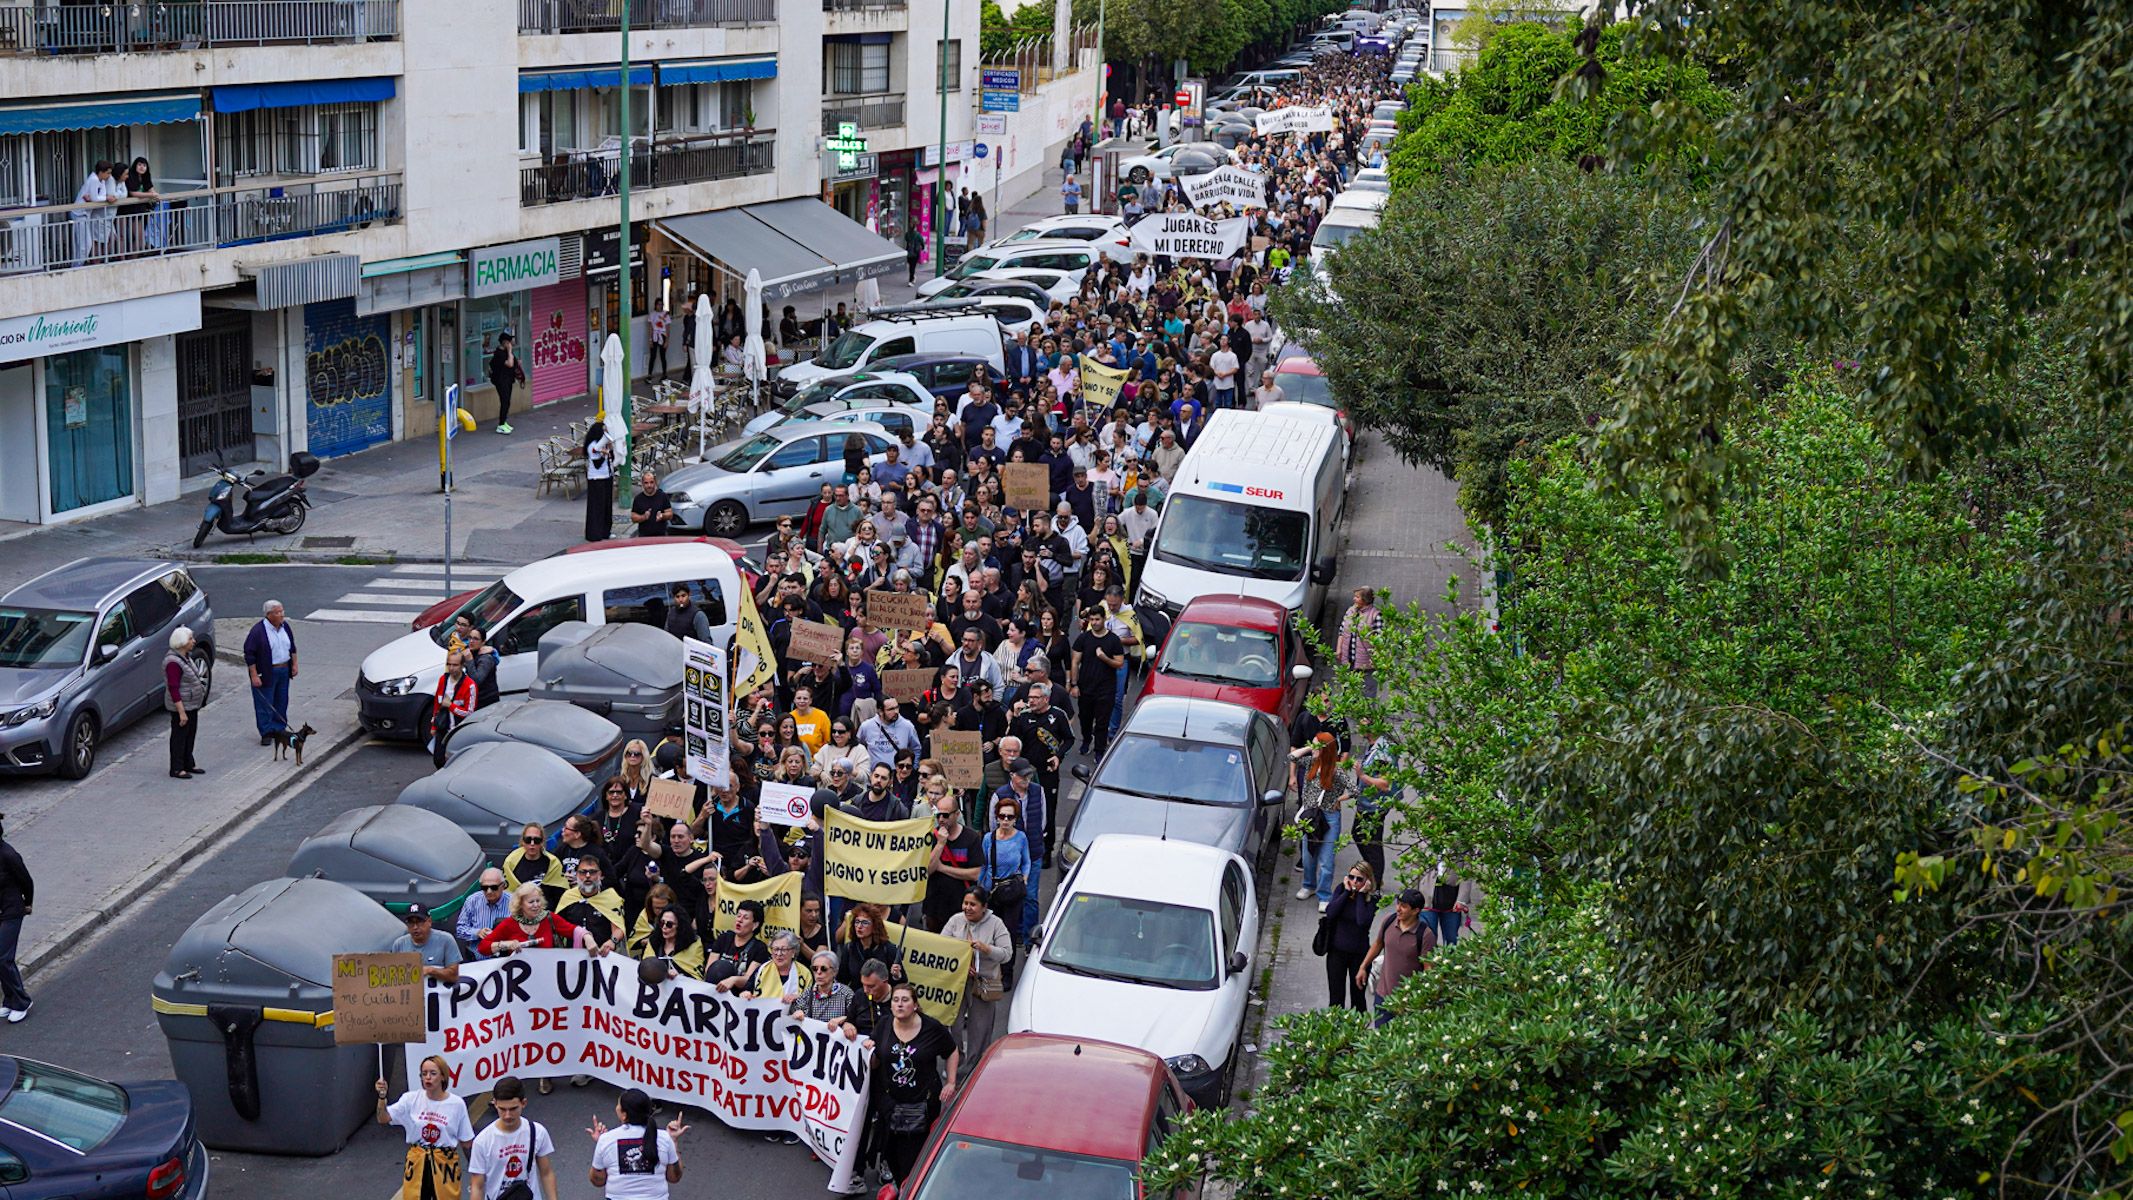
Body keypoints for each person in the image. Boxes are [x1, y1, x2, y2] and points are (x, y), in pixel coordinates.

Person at [866, 981, 960, 1186]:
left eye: (905, 1000)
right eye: (896, 1000)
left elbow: (951, 1051)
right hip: (890, 1103)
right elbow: (876, 1060)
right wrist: (868, 1051)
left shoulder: (932, 1028)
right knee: (891, 1154)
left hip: (921, 1105)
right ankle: (901, 1184)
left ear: (915, 1005)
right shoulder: (883, 1025)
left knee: (913, 1158)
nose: (899, 1004)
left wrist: (951, 1082)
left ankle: (911, 1190)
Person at [375, 1055, 475, 1200]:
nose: (428, 1077)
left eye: (433, 1073)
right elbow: (383, 1118)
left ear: (443, 1076)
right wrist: (382, 1097)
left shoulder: (456, 1104)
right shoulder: (410, 1099)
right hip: (418, 1163)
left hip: (444, 1165)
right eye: (424, 1073)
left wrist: (476, 1173)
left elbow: (466, 1142)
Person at [939, 887, 1010, 1060]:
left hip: (983, 984)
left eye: (973, 904)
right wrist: (961, 966)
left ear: (984, 907)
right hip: (957, 982)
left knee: (980, 1028)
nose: (967, 908)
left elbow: (1007, 954)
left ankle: (974, 1066)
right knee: (953, 1025)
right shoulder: (955, 920)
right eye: (965, 903)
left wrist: (987, 949)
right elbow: (941, 946)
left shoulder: (996, 924)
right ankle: (956, 1061)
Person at [467, 1075, 559, 1200]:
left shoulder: (537, 1132)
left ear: (524, 1103)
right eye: (502, 1109)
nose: (507, 1115)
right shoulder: (482, 1141)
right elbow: (477, 1186)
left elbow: (546, 1173)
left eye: (513, 1109)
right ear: (495, 1104)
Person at [1291, 731, 1354, 910]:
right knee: (1308, 854)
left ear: (1325, 749)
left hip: (1329, 817)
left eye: (1317, 745)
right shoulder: (1311, 762)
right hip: (1311, 815)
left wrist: (1337, 800)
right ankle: (1308, 885)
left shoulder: (1336, 770)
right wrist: (1310, 747)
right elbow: (1291, 757)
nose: (1313, 749)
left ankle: (1324, 894)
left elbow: (1354, 790)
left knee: (1326, 859)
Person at [588, 1088, 685, 1198]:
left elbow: (597, 1181)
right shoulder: (664, 1138)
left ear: (624, 1114)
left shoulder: (607, 1140)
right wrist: (673, 1141)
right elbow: (674, 1177)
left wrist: (602, 1145)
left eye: (618, 1105)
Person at [1357, 887, 1435, 1024]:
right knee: (1381, 1040)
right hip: (1383, 996)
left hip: (1408, 1000)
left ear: (1416, 910)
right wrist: (1363, 967)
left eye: (1404, 906)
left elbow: (1428, 968)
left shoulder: (1425, 935)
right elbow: (1377, 944)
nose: (1398, 908)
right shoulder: (1389, 921)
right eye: (1398, 904)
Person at [1319, 863, 1377, 1012]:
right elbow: (1331, 912)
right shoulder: (1341, 889)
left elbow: (1362, 921)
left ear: (1368, 881)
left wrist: (1361, 895)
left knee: (1358, 999)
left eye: (1359, 879)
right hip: (1336, 952)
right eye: (1351, 877)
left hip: (1359, 955)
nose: (1354, 882)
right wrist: (1346, 892)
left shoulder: (1372, 899)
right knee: (1336, 998)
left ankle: (1358, 1032)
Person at [923, 793, 983, 933]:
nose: (941, 819)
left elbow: (975, 874)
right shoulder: (932, 836)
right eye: (938, 815)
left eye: (945, 815)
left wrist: (943, 868)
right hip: (934, 905)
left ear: (956, 814)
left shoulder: (971, 838)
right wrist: (940, 844)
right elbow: (928, 870)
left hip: (960, 906)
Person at [1068, 606, 1124, 756]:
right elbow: (1075, 662)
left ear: (1104, 619)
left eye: (1097, 619)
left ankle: (1099, 750)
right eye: (1091, 619)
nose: (1094, 622)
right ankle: (1086, 740)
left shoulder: (1114, 640)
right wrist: (1074, 684)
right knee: (1085, 718)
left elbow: (1119, 663)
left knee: (1102, 722)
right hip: (1086, 687)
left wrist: (1104, 658)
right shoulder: (1083, 638)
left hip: (1106, 689)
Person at [243, 599, 297, 745]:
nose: (281, 615)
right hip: (267, 671)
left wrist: (294, 665)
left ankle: (279, 728)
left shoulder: (285, 627)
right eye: (278, 612)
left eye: (282, 611)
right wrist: (254, 674)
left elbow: (292, 647)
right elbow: (249, 654)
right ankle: (266, 731)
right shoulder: (258, 631)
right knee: (265, 703)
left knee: (281, 700)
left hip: (284, 669)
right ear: (269, 615)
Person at [164, 626, 207, 780]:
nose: (193, 641)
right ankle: (176, 767)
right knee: (179, 737)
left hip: (191, 704)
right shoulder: (173, 663)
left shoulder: (185, 657)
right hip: (182, 707)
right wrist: (181, 712)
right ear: (181, 642)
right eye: (190, 639)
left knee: (190, 734)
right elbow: (173, 688)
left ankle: (188, 762)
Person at [0, 816, 30, 1023]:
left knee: (3, 957)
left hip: (12, 910)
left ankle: (22, 1001)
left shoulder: (8, 855)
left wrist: (28, 902)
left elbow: (26, 881)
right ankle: (9, 1000)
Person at [392, 903, 464, 985]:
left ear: (429, 921)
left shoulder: (446, 940)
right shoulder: (399, 944)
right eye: (411, 923)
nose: (415, 927)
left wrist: (431, 970)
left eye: (419, 922)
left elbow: (454, 976)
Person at [1334, 586, 1383, 697]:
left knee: (1367, 694)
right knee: (1348, 692)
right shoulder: (1350, 611)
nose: (1354, 599)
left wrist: (1376, 658)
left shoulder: (1375, 615)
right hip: (1348, 661)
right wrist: (1339, 650)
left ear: (1365, 600)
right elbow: (1342, 631)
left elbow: (1379, 641)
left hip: (1366, 665)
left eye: (1357, 597)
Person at [430, 652, 476, 767]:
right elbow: (437, 704)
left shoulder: (470, 686)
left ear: (462, 665)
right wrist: (434, 726)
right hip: (443, 728)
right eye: (449, 664)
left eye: (455, 665)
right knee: (438, 759)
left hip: (457, 731)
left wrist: (450, 705)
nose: (451, 668)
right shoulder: (443, 680)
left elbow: (469, 712)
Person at [456, 869, 511, 960]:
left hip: (505, 960)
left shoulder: (514, 902)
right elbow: (460, 930)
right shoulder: (472, 901)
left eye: (494, 887)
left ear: (503, 886)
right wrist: (477, 932)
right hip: (476, 960)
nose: (489, 891)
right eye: (485, 888)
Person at [579, 420, 616, 542]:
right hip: (597, 479)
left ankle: (606, 531)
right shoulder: (592, 446)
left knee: (606, 505)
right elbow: (597, 463)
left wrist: (609, 450)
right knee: (597, 507)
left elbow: (610, 459)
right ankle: (595, 533)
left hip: (606, 477)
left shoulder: (602, 445)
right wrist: (604, 454)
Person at [489, 331, 524, 435]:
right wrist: (509, 351)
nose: (511, 343)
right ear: (504, 343)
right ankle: (501, 425)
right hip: (501, 381)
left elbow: (514, 362)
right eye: (509, 342)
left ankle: (504, 422)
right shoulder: (499, 354)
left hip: (508, 380)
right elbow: (509, 363)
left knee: (507, 401)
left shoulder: (507, 352)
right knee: (504, 401)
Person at [630, 471, 675, 537]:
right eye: (646, 483)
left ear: (655, 482)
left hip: (661, 536)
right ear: (642, 484)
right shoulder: (638, 499)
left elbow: (670, 514)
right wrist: (643, 517)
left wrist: (662, 516)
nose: (649, 485)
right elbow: (633, 517)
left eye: (651, 482)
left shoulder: (663, 496)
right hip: (644, 537)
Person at [464, 627, 500, 710]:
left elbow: (476, 680)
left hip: (486, 703)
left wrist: (469, 660)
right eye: (470, 637)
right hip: (473, 700)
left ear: (483, 642)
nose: (471, 641)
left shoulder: (486, 658)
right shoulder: (469, 651)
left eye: (476, 639)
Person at [648, 305, 672, 380]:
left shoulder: (666, 315)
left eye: (661, 304)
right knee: (653, 356)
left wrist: (667, 341)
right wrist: (650, 339)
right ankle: (649, 374)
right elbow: (650, 328)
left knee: (663, 356)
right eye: (658, 304)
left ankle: (664, 373)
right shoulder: (652, 315)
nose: (660, 306)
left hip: (662, 334)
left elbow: (668, 328)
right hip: (655, 335)